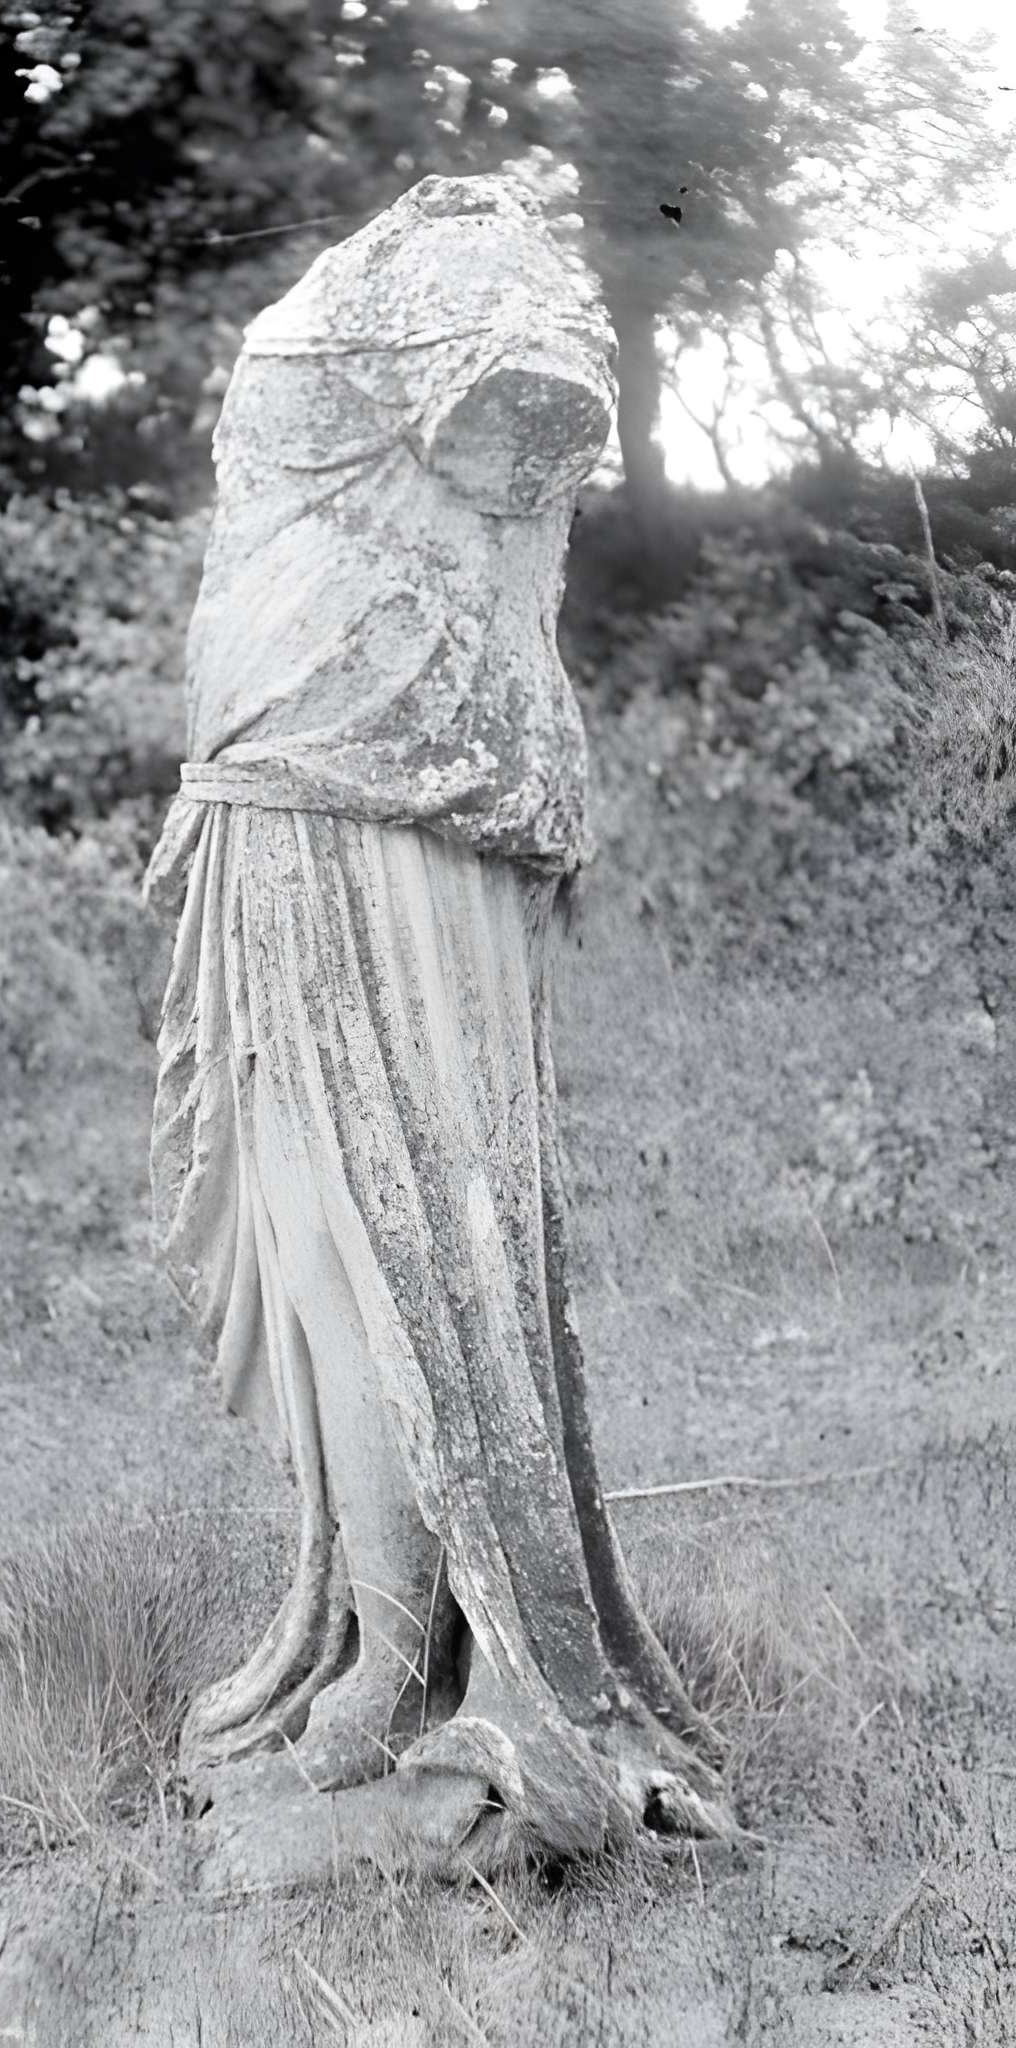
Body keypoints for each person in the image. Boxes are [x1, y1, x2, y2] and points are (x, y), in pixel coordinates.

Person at [146, 173, 725, 1862]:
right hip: (293, 804)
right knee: (330, 1245)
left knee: (400, 1246)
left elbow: (526, 425)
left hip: (386, 821)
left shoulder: (480, 271)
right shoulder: (379, 284)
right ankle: (375, 1626)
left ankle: (415, 1650)